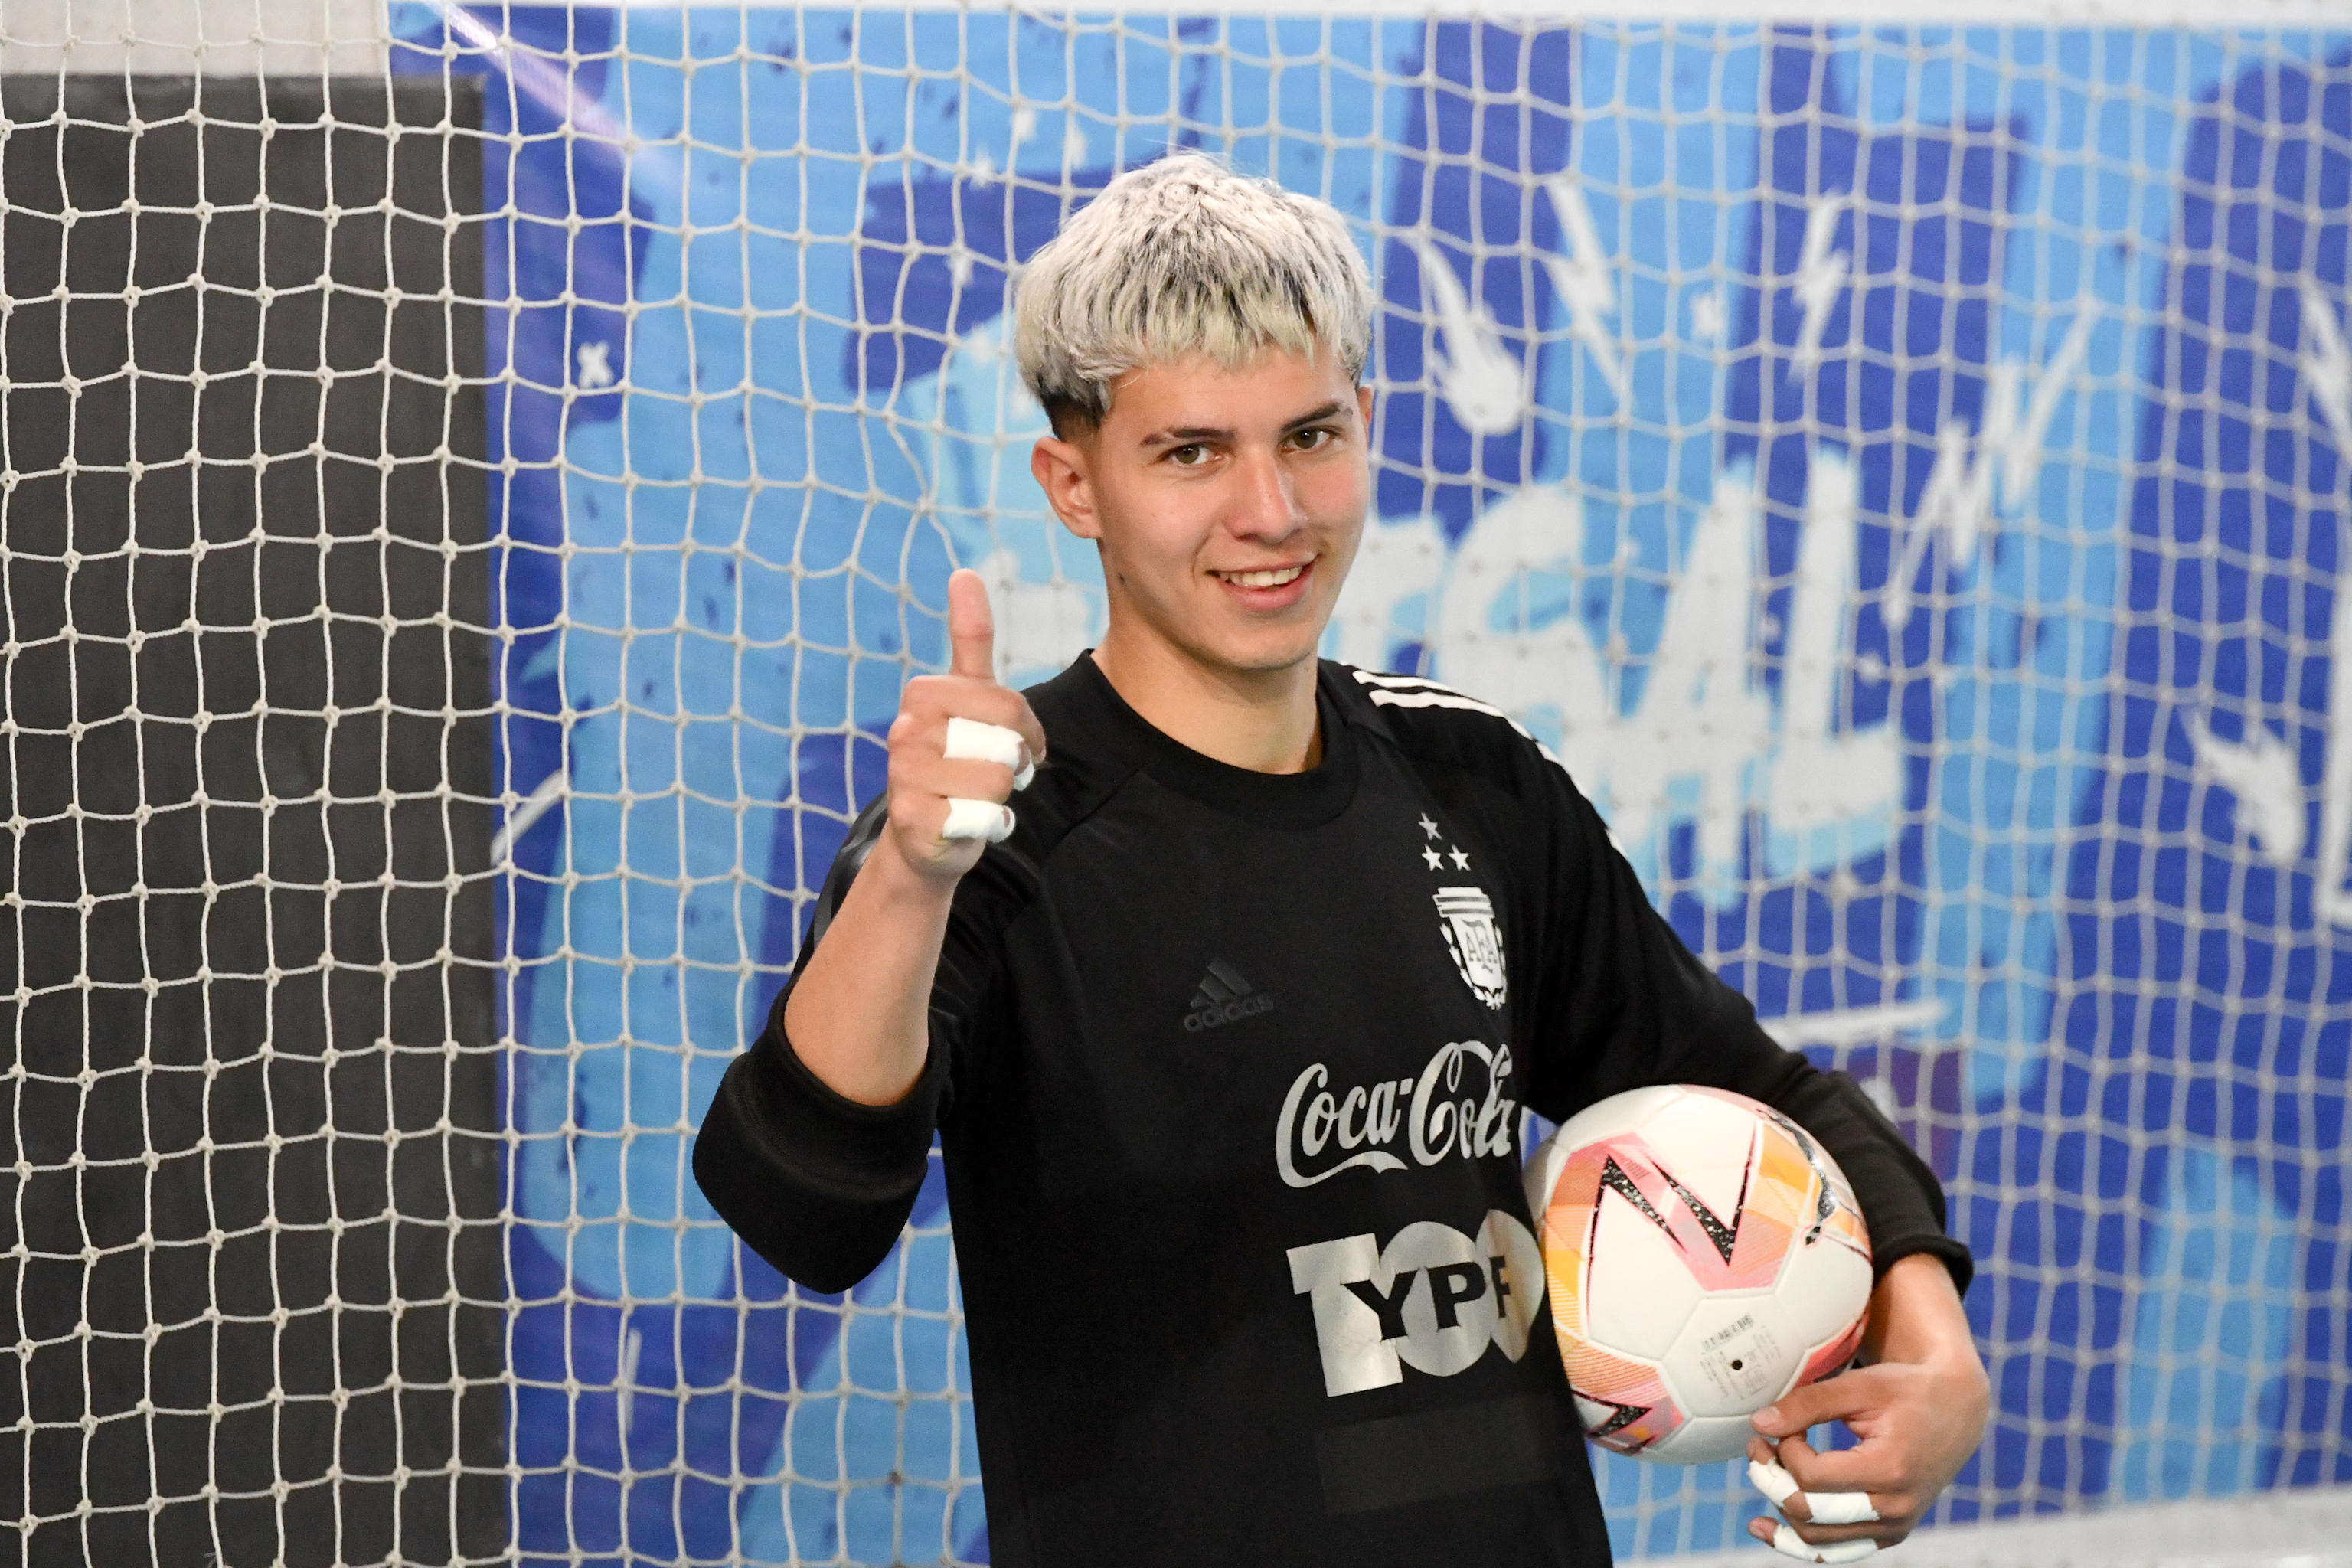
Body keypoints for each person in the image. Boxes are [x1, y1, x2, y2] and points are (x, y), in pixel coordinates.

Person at [692, 152, 1988, 1567]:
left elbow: (1763, 1093)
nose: (1272, 511)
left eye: (1308, 436)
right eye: (1191, 452)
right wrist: (912, 881)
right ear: (1074, 483)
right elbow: (802, 1211)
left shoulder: (1476, 781)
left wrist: (1932, 1343)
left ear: (1365, 420)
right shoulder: (1000, 836)